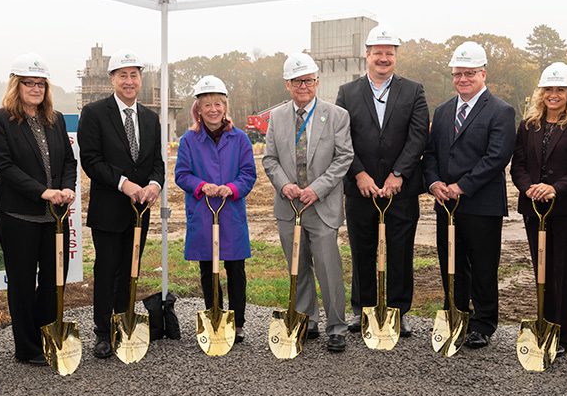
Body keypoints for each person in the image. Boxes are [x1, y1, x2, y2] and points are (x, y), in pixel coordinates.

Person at [335, 25, 429, 337]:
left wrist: (398, 174)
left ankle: (397, 311)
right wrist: (359, 173)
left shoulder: (413, 91)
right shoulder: (347, 93)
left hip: (399, 191)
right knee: (363, 249)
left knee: (400, 250)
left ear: (395, 57)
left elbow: (418, 137)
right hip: (359, 189)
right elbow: (342, 138)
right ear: (367, 55)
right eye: (378, 53)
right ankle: (362, 309)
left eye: (389, 53)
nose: (384, 58)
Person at [423, 41, 516, 350]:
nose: (462, 79)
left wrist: (461, 186)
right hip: (445, 203)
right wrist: (435, 183)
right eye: (457, 74)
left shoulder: (501, 111)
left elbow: (496, 157)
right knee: (451, 261)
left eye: (469, 73)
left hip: (481, 203)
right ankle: (457, 313)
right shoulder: (444, 110)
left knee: (482, 264)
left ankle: (484, 322)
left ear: (483, 73)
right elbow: (432, 153)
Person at [0, 53, 77, 366]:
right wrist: (43, 192)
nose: (36, 88)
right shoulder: (1, 120)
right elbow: (4, 166)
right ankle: (26, 348)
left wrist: (67, 188)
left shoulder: (56, 118)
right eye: (29, 83)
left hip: (55, 217)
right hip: (19, 215)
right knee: (23, 283)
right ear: (17, 85)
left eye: (41, 83)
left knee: (54, 279)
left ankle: (48, 335)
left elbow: (68, 159)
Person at [263, 52, 353, 352]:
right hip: (289, 206)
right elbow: (270, 159)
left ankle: (337, 327)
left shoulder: (336, 115)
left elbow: (344, 158)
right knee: (297, 266)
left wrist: (317, 189)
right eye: (298, 81)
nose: (304, 86)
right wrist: (284, 185)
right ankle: (307, 319)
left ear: (317, 82)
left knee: (328, 267)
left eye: (310, 80)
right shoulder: (276, 117)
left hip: (321, 204)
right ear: (287, 84)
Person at [77, 49, 164, 359]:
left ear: (141, 79)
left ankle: (124, 324)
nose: (129, 81)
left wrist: (154, 185)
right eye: (123, 75)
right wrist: (124, 184)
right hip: (109, 208)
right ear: (112, 79)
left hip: (140, 211)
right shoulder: (95, 113)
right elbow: (91, 160)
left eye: (134, 75)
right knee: (106, 270)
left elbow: (157, 161)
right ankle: (103, 331)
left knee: (131, 269)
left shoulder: (150, 118)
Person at [511, 62, 567, 356]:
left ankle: (564, 335)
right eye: (549, 89)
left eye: (560, 89)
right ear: (541, 92)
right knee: (541, 269)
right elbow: (518, 164)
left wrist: (554, 188)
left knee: (565, 272)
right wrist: (529, 187)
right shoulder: (529, 124)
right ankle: (544, 327)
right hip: (534, 207)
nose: (554, 94)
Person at [174, 76, 256, 342]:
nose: (213, 109)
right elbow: (182, 174)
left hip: (230, 213)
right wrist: (202, 186)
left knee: (235, 268)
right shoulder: (189, 140)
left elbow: (248, 174)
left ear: (225, 106)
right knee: (208, 269)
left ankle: (238, 322)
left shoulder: (240, 138)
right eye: (207, 104)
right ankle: (215, 315)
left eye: (218, 104)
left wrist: (231, 188)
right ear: (198, 108)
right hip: (202, 210)